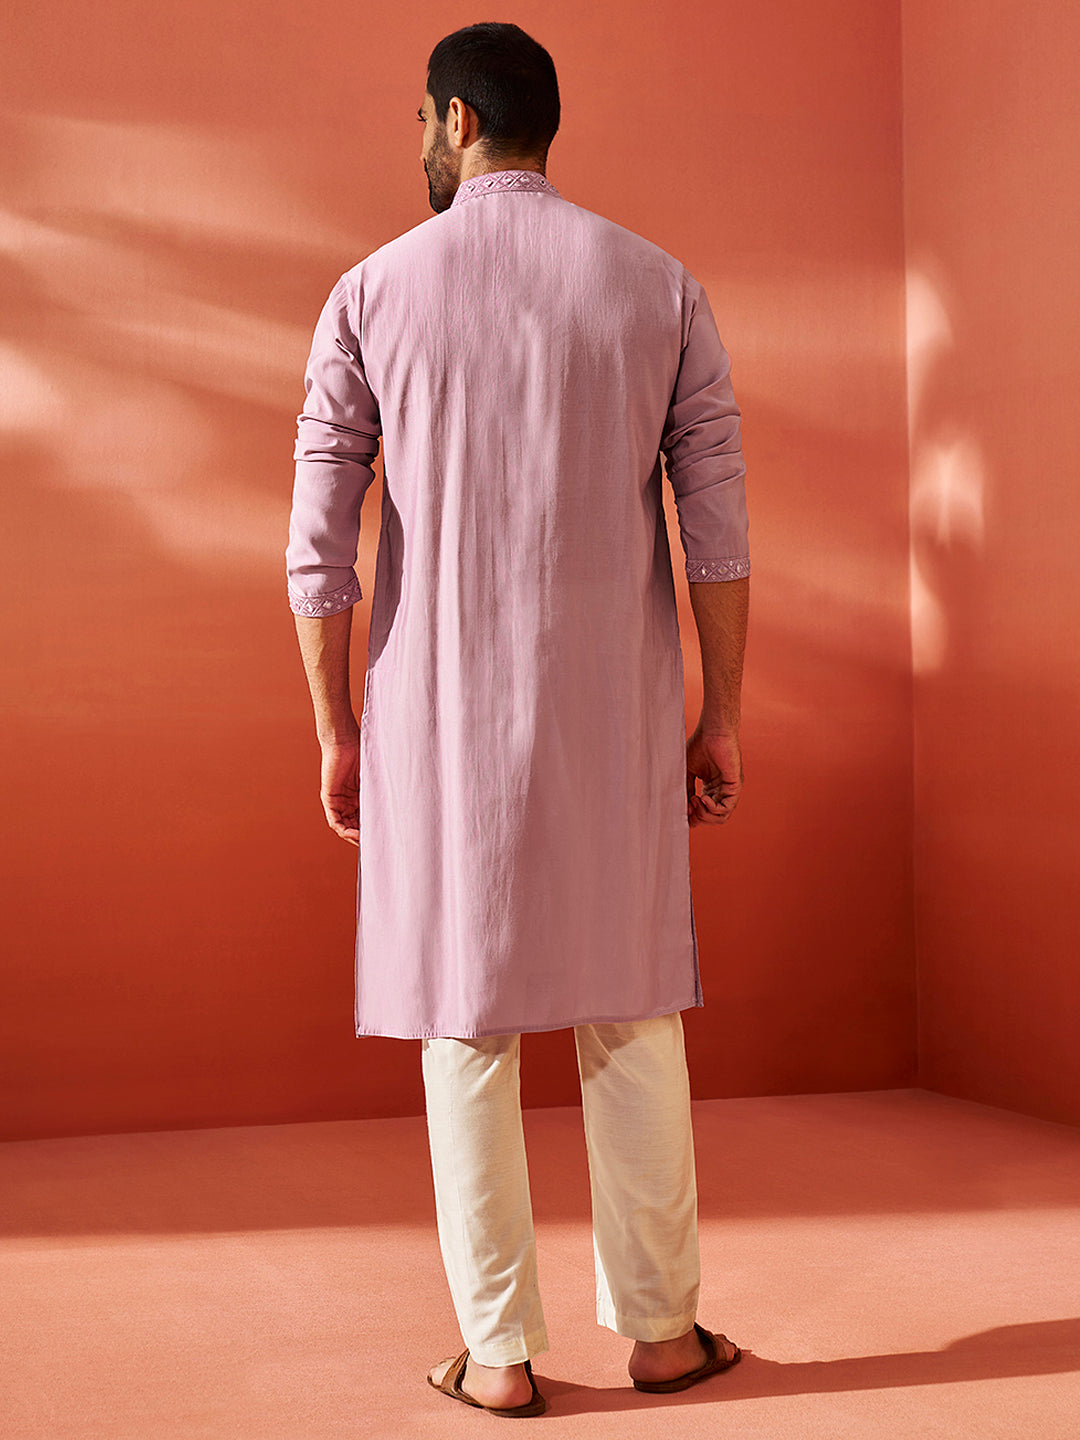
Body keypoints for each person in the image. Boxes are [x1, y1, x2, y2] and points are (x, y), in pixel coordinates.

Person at [286, 21, 749, 1418]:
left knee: (464, 1021)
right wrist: (722, 715)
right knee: (631, 1009)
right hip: (615, 713)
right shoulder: (657, 284)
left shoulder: (372, 292)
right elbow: (717, 534)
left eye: (423, 121)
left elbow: (321, 546)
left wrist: (335, 725)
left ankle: (497, 1356)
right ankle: (663, 1333)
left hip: (435, 718)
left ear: (456, 120)